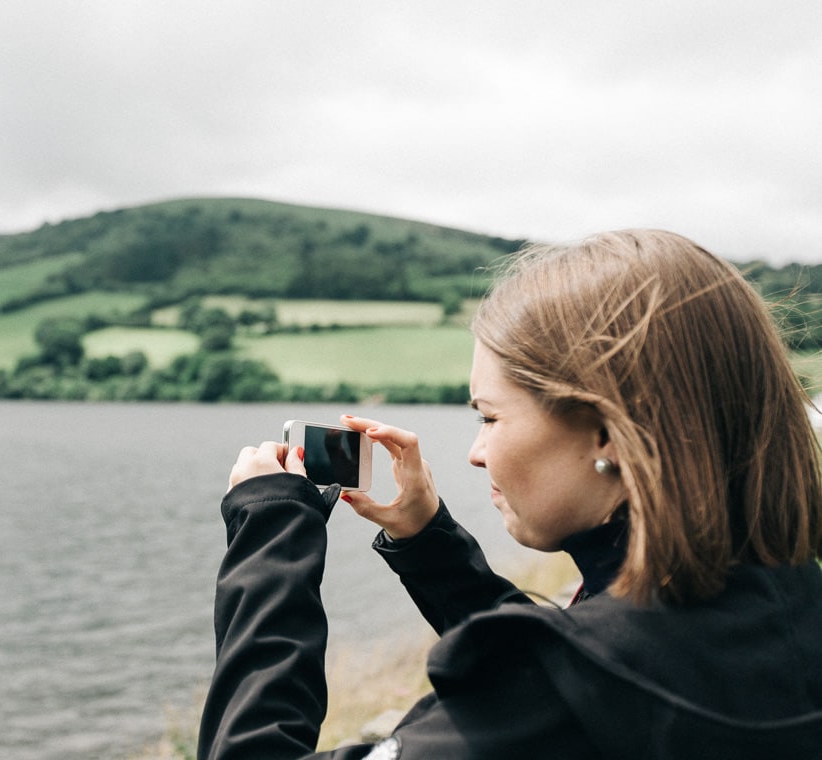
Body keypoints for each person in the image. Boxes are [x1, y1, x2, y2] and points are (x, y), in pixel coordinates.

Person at [196, 229, 822, 759]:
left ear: (607, 432)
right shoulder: (784, 597)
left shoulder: (547, 698)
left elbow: (556, 685)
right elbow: (591, 659)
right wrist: (427, 542)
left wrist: (269, 531)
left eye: (490, 417)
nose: (476, 452)